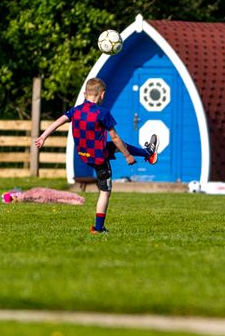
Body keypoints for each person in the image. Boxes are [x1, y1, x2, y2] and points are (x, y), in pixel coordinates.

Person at [33, 78, 159, 234]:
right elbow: (115, 137)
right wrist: (127, 156)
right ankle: (99, 228)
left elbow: (59, 121)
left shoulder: (75, 110)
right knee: (105, 191)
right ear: (102, 95)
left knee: (113, 147)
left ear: (85, 94)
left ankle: (148, 154)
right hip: (99, 158)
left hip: (85, 154)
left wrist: (43, 136)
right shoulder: (102, 113)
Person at [2, 186, 86, 205]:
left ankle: (77, 200)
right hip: (42, 194)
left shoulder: (21, 195)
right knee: (59, 197)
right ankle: (77, 200)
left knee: (59, 197)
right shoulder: (22, 196)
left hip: (42, 194)